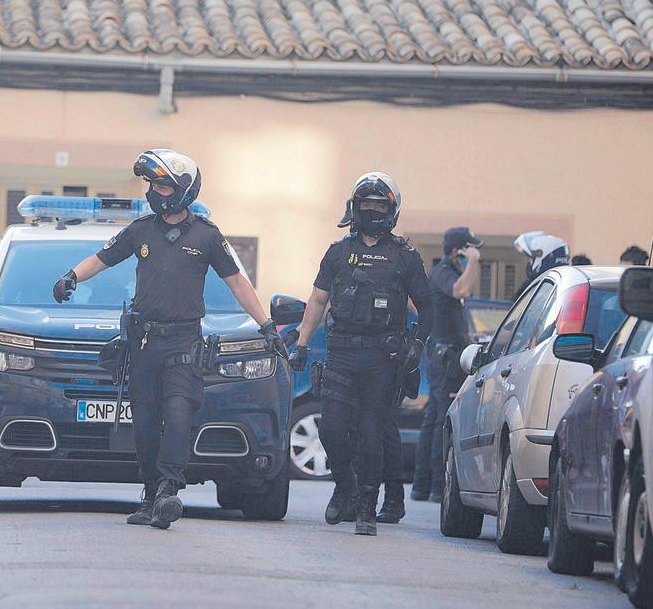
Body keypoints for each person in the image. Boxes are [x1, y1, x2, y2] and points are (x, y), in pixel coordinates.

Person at [52, 149, 283, 531]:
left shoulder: (207, 236)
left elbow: (238, 283)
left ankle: (168, 490)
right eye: (152, 184)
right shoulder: (141, 230)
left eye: (162, 184)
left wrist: (266, 326)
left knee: (177, 415)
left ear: (183, 190)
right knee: (143, 424)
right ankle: (150, 494)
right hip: (144, 343)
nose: (154, 191)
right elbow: (102, 257)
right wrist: (72, 277)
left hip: (183, 344)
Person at [288, 173, 433, 536]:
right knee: (333, 429)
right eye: (365, 205)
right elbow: (319, 299)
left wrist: (416, 345)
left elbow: (427, 308)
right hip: (341, 353)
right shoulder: (337, 252)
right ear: (354, 208)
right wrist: (302, 345)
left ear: (391, 210)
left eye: (378, 206)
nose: (371, 212)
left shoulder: (405, 256)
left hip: (383, 357)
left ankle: (368, 504)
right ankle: (345, 487)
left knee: (372, 432)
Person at [411, 227, 481, 503]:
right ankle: (438, 486)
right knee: (442, 421)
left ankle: (422, 485)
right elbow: (462, 289)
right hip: (445, 357)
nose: (473, 255)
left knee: (433, 420)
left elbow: (463, 292)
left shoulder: (448, 272)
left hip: (448, 351)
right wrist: (474, 261)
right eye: (469, 250)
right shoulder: (442, 273)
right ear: (457, 251)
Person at [512, 231, 569, 298]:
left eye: (531, 259)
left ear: (543, 257)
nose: (529, 262)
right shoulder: (569, 283)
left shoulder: (544, 289)